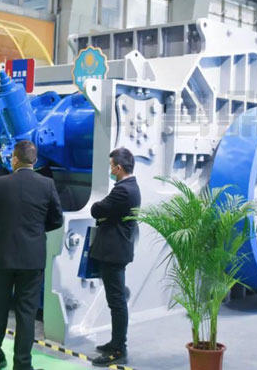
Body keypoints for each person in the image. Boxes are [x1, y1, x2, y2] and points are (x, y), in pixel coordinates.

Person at [0, 140, 64, 370]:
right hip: (31, 258)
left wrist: (3, 223)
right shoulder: (47, 185)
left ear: (14, 159)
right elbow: (57, 220)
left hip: (0, 256)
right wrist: (35, 230)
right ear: (34, 161)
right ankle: (23, 364)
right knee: (26, 313)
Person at [89, 148, 141, 367]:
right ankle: (115, 342)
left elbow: (97, 210)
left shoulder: (123, 191)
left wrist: (100, 210)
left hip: (114, 253)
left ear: (118, 168)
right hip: (115, 251)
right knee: (115, 301)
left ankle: (118, 348)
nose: (110, 170)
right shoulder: (129, 188)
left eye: (111, 166)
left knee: (117, 302)